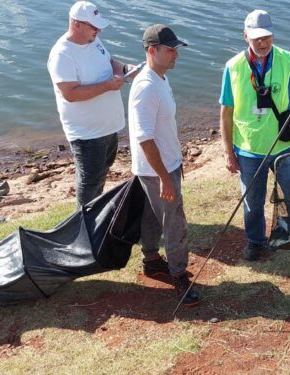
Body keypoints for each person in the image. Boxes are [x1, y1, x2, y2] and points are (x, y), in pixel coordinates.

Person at [219, 10, 290, 273]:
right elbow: (226, 111)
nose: (262, 43)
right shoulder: (233, 67)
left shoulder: (289, 61)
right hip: (249, 148)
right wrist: (228, 151)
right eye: (256, 38)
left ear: (272, 35)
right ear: (245, 37)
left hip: (284, 147)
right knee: (252, 201)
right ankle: (255, 241)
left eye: (266, 37)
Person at [129, 24, 199, 306]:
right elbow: (144, 138)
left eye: (176, 49)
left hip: (157, 167)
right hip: (158, 169)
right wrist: (165, 178)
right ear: (152, 50)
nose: (175, 55)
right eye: (170, 50)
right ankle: (179, 277)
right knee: (174, 223)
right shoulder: (147, 88)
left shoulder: (159, 78)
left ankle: (151, 260)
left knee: (150, 217)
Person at [47, 1, 138, 207]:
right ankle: (84, 223)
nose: (98, 30)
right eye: (93, 26)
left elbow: (108, 61)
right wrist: (108, 86)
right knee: (89, 182)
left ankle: (96, 216)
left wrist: (124, 68)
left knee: (103, 172)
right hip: (87, 133)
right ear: (76, 24)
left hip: (108, 127)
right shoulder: (62, 54)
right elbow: (70, 94)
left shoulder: (93, 40)